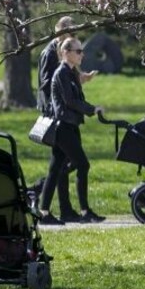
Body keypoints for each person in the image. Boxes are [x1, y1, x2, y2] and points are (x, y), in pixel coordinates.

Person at [35, 36, 106, 225]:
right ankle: (85, 211)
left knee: (55, 169)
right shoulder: (61, 73)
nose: (82, 54)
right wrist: (93, 109)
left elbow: (75, 99)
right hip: (63, 127)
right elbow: (69, 101)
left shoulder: (71, 72)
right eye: (78, 51)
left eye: (81, 51)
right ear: (66, 53)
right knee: (82, 165)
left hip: (70, 126)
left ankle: (45, 212)